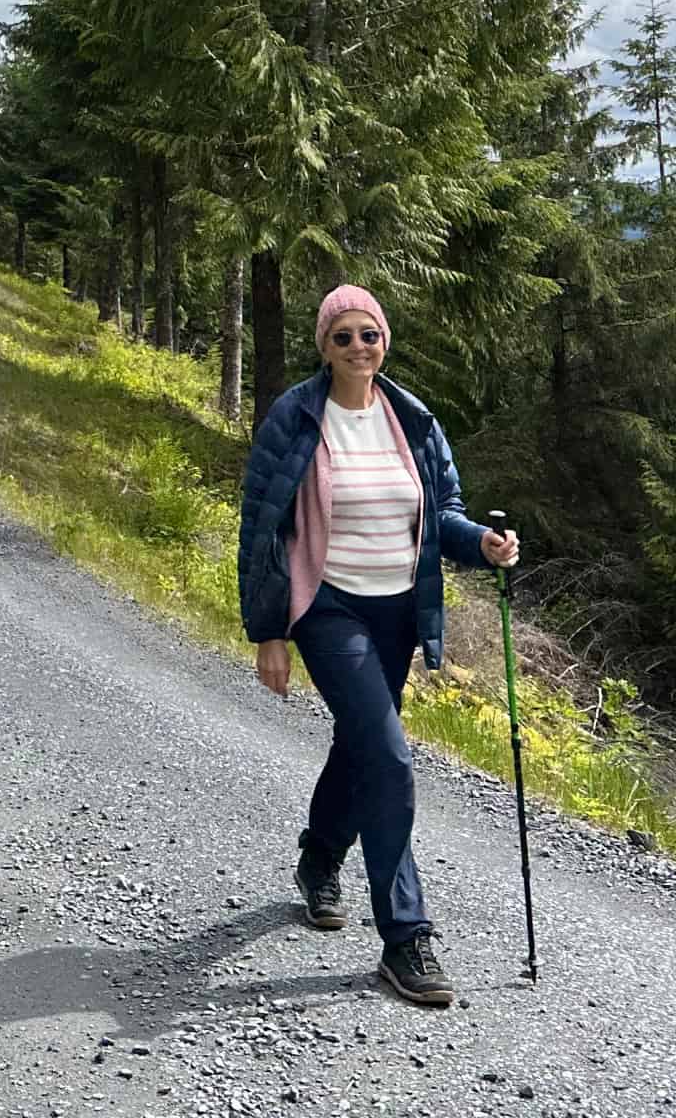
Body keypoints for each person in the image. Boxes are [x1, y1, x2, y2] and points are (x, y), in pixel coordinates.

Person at [237, 284, 520, 1008]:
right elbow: (261, 531)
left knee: (362, 743)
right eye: (344, 338)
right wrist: (269, 632)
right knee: (390, 757)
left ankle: (320, 858)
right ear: (324, 347)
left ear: (384, 341)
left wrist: (481, 544)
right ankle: (405, 935)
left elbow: (443, 512)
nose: (359, 348)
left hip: (399, 612)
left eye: (370, 335)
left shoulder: (414, 419)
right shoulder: (295, 417)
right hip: (328, 609)